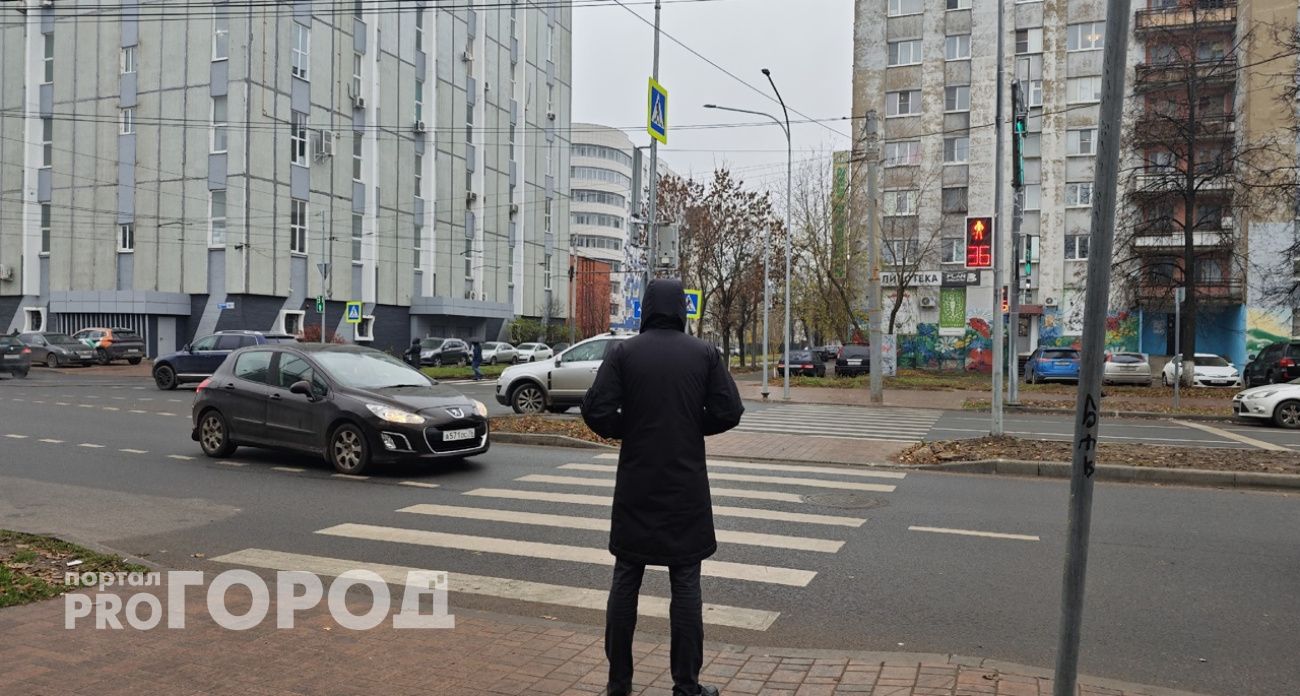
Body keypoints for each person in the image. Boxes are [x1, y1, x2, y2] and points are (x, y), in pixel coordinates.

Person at [582, 278, 744, 696]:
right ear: (682, 310)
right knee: (686, 585)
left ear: (646, 308)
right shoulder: (704, 354)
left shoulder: (624, 353)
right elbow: (730, 410)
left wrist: (629, 429)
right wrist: (692, 427)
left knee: (625, 581)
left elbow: (595, 410)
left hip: (636, 483)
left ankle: (619, 685)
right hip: (685, 488)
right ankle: (686, 686)